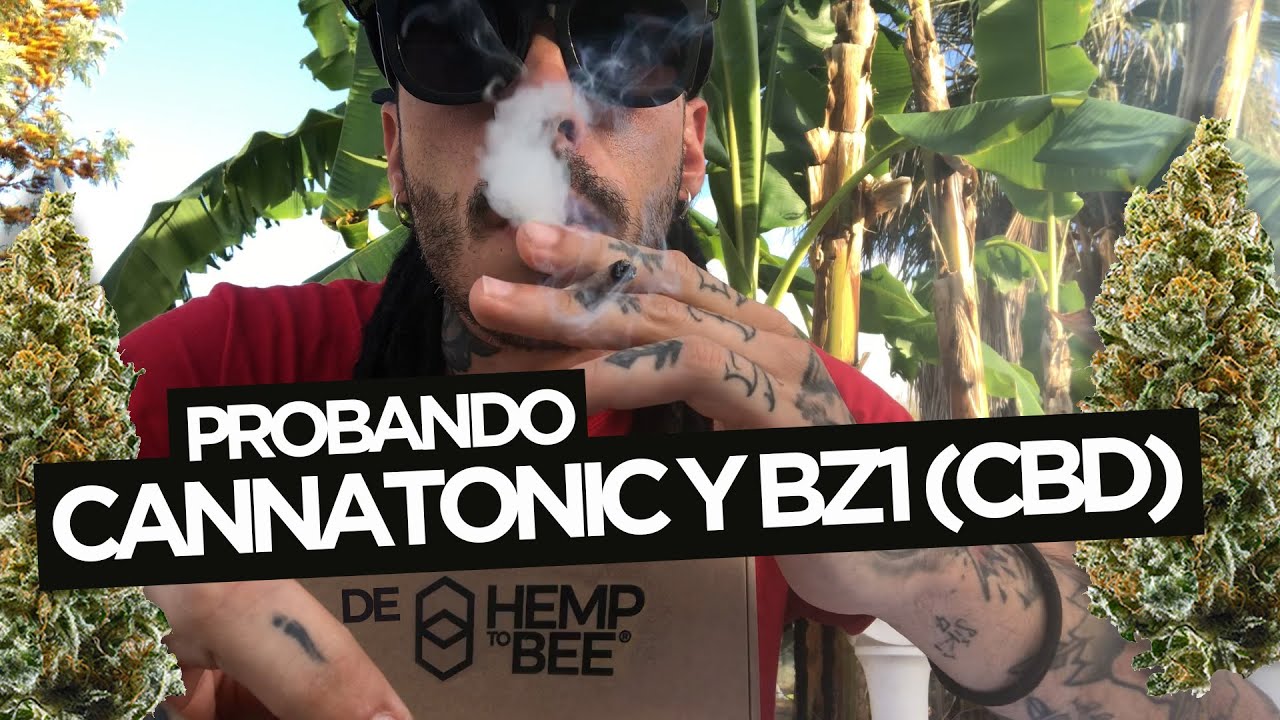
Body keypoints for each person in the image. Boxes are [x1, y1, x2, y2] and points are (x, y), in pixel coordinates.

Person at [122, 2, 1280, 719]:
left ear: (688, 151)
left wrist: (924, 562)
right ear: (392, 148)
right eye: (449, 36)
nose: (544, 104)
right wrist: (81, 625)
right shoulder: (221, 374)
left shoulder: (777, 405)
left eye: (627, 32)